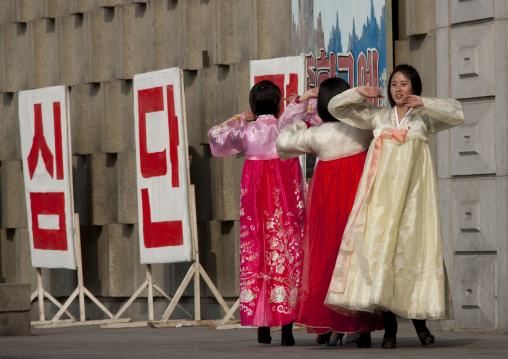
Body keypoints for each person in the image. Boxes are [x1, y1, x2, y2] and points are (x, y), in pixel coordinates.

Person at [324, 65, 464, 349]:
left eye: (405, 84)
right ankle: (389, 330)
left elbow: (457, 113)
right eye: (394, 85)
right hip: (381, 202)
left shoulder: (424, 118)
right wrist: (358, 92)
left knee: (412, 254)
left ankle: (421, 326)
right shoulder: (378, 117)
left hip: (414, 201)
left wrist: (425, 102)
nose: (398, 89)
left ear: (415, 87)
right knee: (383, 258)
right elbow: (336, 107)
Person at [276, 77, 383, 348]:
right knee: (357, 258)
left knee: (329, 258)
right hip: (360, 196)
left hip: (326, 203)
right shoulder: (362, 126)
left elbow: (283, 142)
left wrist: (300, 116)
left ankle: (334, 324)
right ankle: (362, 327)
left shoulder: (318, 134)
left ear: (323, 103)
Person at [207, 80, 305, 346]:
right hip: (282, 205)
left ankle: (261, 324)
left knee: (257, 256)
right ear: (277, 103)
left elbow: (214, 134)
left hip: (255, 206)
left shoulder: (246, 131)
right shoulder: (286, 127)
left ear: (253, 105)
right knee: (285, 256)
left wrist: (238, 118)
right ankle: (287, 329)